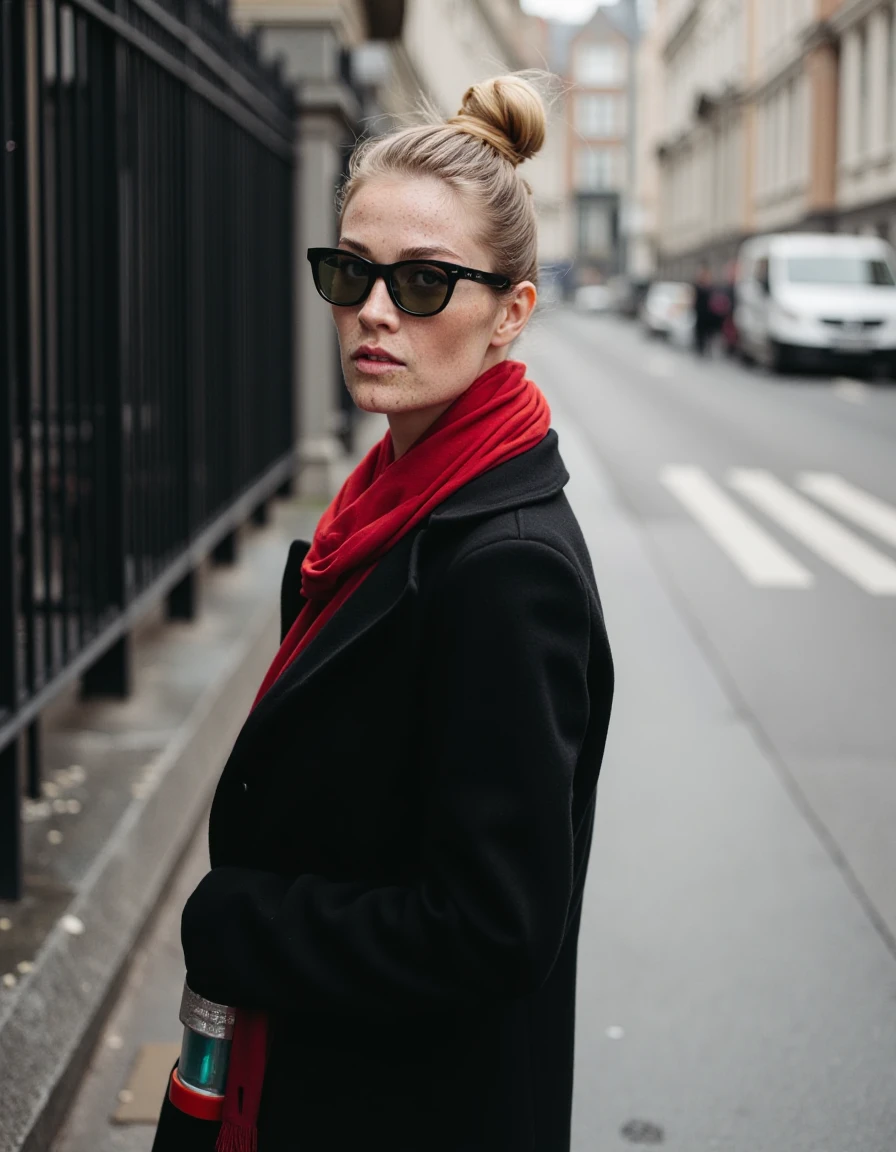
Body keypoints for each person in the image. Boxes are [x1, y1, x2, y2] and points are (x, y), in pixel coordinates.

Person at [152, 73, 614, 1152]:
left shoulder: (504, 567)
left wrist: (243, 921)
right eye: (350, 270)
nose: (371, 307)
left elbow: (493, 932)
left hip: (406, 1107)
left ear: (510, 312)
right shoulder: (392, 501)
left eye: (420, 283)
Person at [692, 262, 715, 356]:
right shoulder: (698, 286)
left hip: (707, 313)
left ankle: (704, 348)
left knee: (706, 332)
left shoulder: (709, 286)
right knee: (699, 332)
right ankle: (699, 348)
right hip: (699, 312)